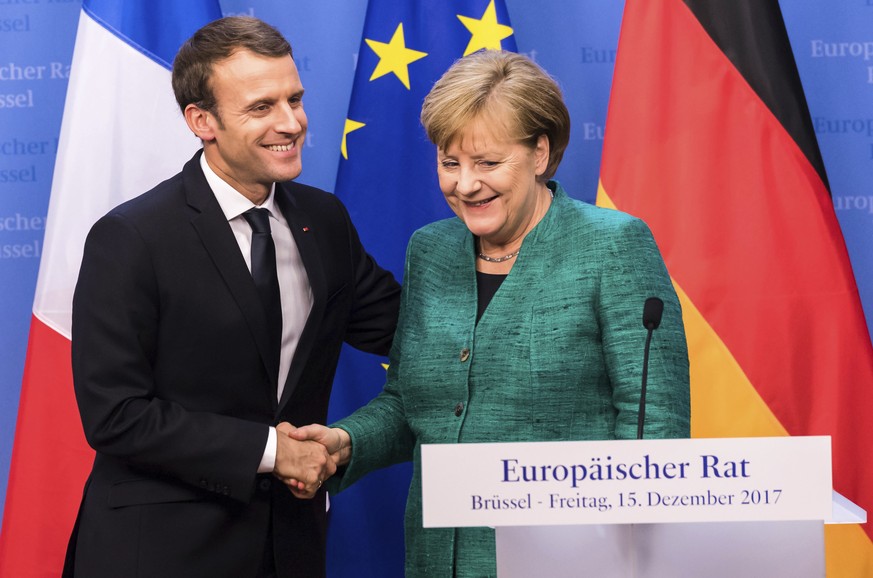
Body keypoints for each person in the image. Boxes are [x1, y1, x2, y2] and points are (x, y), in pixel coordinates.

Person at [289, 50, 690, 577]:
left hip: (573, 562)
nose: (465, 185)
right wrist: (344, 443)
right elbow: (415, 405)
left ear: (540, 153)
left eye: (487, 163)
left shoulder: (613, 246)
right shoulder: (428, 250)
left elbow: (655, 429)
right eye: (449, 163)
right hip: (437, 560)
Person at [62, 16, 400, 578]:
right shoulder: (133, 237)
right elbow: (116, 415)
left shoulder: (324, 219)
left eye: (295, 98)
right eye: (261, 107)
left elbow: (412, 329)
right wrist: (272, 450)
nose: (291, 123)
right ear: (202, 121)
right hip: (161, 552)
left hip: (290, 548)